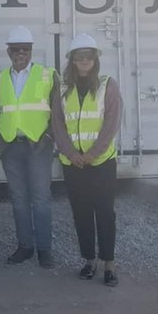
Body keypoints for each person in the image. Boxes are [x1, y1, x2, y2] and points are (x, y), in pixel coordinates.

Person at [52, 33, 123, 287]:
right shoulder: (62, 88)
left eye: (89, 56)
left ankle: (109, 264)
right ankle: (89, 260)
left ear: (95, 60)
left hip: (101, 162)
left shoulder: (107, 85)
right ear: (72, 60)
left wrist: (92, 153)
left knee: (104, 213)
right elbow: (57, 124)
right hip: (73, 164)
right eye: (79, 57)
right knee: (81, 213)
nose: (84, 61)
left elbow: (112, 123)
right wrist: (72, 154)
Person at [0, 25, 60, 269]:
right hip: (10, 147)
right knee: (18, 199)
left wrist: (49, 137)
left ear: (31, 50)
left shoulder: (48, 75)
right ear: (8, 51)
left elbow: (58, 111)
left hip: (38, 146)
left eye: (25, 49)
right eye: (16, 48)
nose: (20, 53)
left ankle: (44, 250)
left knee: (41, 198)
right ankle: (25, 246)